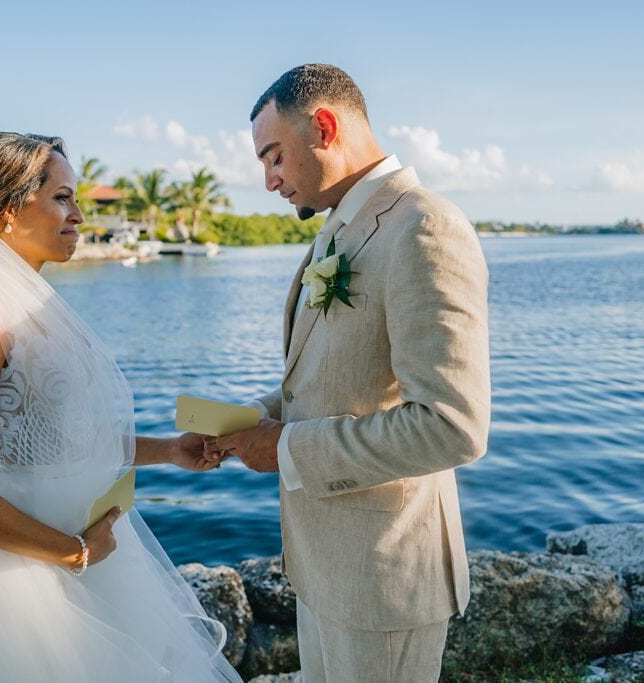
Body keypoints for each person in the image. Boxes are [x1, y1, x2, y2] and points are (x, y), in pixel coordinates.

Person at [0, 131, 241, 683]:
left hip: (85, 557)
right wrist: (74, 552)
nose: (79, 214)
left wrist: (169, 450)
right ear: (8, 212)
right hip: (12, 580)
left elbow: (58, 442)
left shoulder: (34, 303)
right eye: (62, 198)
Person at [207, 64, 491, 682]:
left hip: (384, 581)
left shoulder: (423, 227)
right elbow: (332, 377)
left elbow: (451, 426)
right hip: (327, 569)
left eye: (274, 156)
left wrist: (286, 448)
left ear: (326, 127)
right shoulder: (343, 229)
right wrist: (249, 421)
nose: (268, 180)